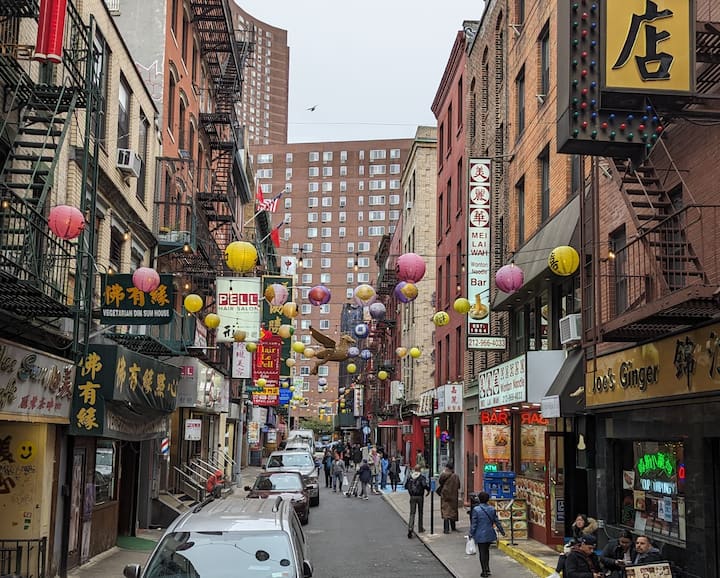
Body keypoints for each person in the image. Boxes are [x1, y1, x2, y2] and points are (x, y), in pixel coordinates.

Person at [469, 491, 505, 577]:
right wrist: (502, 531)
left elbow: (474, 524)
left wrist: (471, 533)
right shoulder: (492, 509)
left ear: (479, 499)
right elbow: (497, 521)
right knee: (486, 551)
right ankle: (487, 568)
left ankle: (484, 571)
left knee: (482, 552)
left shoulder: (476, 510)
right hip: (489, 533)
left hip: (480, 534)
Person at [404, 464, 430, 538]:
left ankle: (410, 528)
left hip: (412, 496)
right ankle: (420, 528)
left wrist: (410, 492)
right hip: (420, 496)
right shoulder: (421, 477)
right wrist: (428, 490)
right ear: (420, 470)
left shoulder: (410, 477)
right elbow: (424, 485)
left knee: (412, 513)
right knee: (420, 512)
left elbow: (406, 486)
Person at [438, 461, 461, 533]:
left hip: (445, 495)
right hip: (453, 495)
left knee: (446, 511)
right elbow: (459, 486)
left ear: (447, 468)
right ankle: (453, 527)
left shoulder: (443, 475)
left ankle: (446, 529)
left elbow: (440, 482)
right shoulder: (456, 476)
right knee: (453, 511)